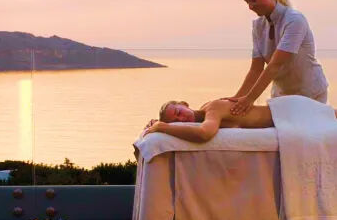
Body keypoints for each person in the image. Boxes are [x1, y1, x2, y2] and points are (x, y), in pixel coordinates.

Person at [226, 0, 328, 116]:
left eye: (253, 0)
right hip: (281, 95)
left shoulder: (294, 20)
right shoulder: (258, 26)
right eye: (247, 2)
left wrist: (250, 99)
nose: (250, 6)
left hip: (309, 93)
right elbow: (256, 69)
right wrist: (236, 99)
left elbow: (275, 64)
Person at [143, 98, 337, 143]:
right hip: (287, 115)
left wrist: (163, 126)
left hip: (291, 111)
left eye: (178, 111)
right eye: (176, 120)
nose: (181, 118)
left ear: (184, 103)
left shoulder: (213, 108)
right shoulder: (207, 112)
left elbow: (204, 134)